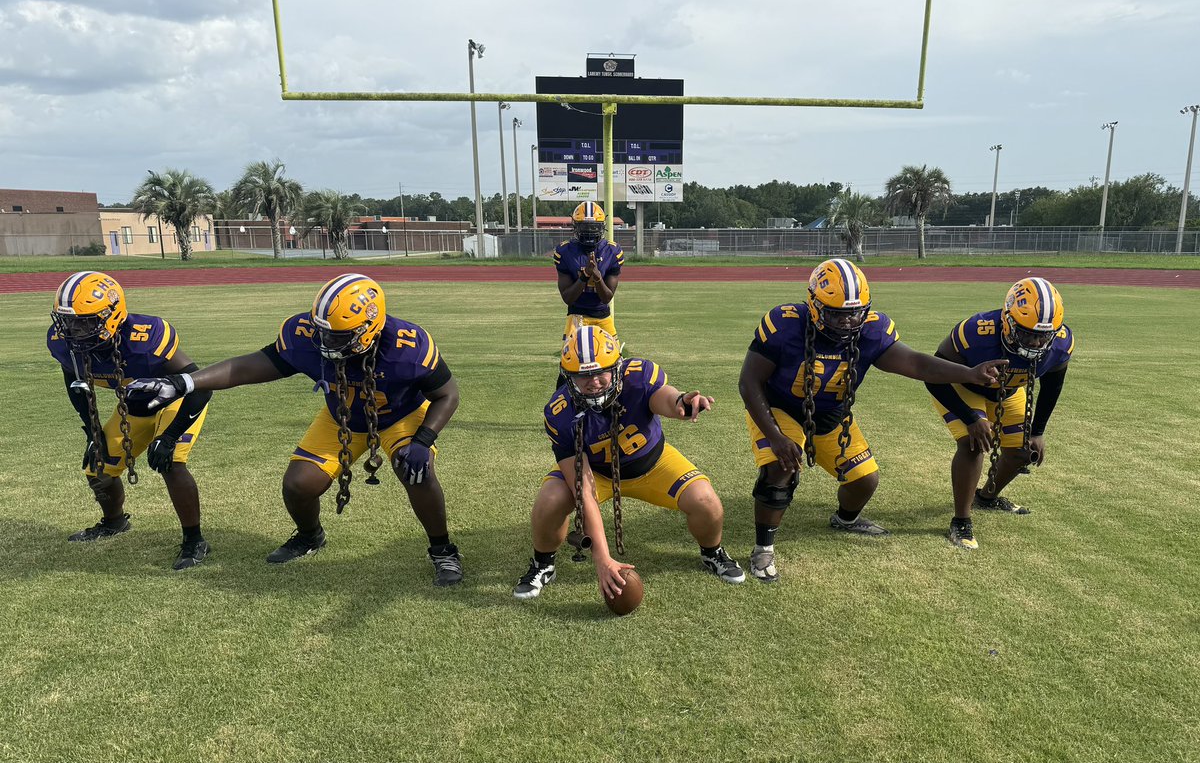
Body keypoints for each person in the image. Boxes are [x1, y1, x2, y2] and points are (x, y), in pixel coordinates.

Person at [128, 273, 464, 585]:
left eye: (338, 335)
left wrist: (423, 440)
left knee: (415, 470)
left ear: (370, 327)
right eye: (323, 331)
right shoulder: (306, 335)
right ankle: (309, 536)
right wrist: (183, 382)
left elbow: (447, 394)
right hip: (342, 417)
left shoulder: (408, 346)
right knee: (298, 485)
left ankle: (443, 550)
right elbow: (251, 365)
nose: (326, 341)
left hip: (401, 415)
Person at [738, 258, 1006, 582]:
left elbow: (917, 364)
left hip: (832, 416)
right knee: (780, 468)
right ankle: (762, 549)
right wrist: (776, 436)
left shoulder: (871, 330)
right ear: (815, 304)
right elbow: (749, 383)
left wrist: (969, 374)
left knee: (865, 480)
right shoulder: (785, 324)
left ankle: (846, 520)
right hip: (780, 408)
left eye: (855, 312)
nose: (848, 321)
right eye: (838, 313)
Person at [514, 325, 744, 601]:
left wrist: (683, 401)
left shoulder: (638, 377)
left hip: (653, 463)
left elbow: (667, 399)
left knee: (706, 501)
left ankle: (712, 552)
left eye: (600, 372)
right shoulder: (560, 412)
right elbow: (583, 489)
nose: (593, 382)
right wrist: (602, 557)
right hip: (597, 474)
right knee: (550, 501)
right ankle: (543, 563)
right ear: (567, 376)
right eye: (582, 375)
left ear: (617, 366)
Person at [47, 271, 213, 570]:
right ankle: (114, 522)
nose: (74, 329)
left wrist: (171, 436)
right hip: (134, 408)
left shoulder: (145, 338)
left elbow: (201, 385)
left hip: (174, 402)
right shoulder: (64, 344)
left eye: (85, 320)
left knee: (170, 463)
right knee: (98, 470)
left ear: (112, 314)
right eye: (68, 320)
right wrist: (92, 430)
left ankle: (194, 540)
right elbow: (74, 383)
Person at [924, 277, 1074, 550]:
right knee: (973, 445)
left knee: (1020, 452)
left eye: (1043, 335)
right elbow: (934, 375)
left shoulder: (1061, 342)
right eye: (1027, 332)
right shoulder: (976, 332)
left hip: (1009, 390)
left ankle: (987, 497)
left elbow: (1053, 384)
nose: (1036, 341)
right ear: (1007, 319)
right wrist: (971, 419)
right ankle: (961, 519)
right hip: (962, 386)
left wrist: (1038, 431)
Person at [551, 201, 624, 389]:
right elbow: (568, 298)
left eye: (594, 227)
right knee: (569, 365)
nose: (590, 231)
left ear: (602, 227)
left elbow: (606, 297)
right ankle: (563, 407)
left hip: (602, 316)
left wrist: (597, 277)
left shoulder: (612, 251)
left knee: (615, 364)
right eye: (585, 226)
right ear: (575, 226)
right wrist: (584, 276)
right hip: (577, 316)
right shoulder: (565, 251)